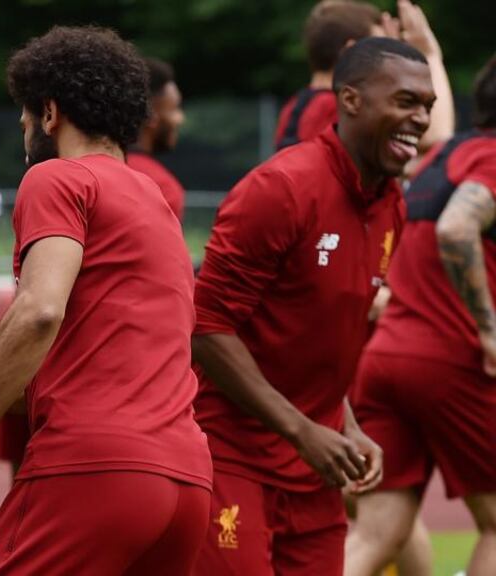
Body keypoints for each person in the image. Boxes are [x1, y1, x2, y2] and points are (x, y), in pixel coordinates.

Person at [0, 26, 213, 574]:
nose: (21, 124)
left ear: (51, 112)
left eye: (25, 110)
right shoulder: (154, 199)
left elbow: (38, 312)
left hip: (95, 467)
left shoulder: (57, 178)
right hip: (185, 478)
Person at [190, 37, 435, 575]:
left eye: (427, 106)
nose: (419, 119)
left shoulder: (391, 202)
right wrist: (303, 429)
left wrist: (344, 426)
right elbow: (205, 328)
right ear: (350, 100)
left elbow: (322, 336)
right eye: (405, 101)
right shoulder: (281, 189)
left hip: (311, 470)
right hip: (232, 455)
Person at [344, 54, 496, 576]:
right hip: (454, 360)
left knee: (377, 532)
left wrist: (429, 48)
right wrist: (489, 329)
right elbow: (457, 229)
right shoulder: (493, 161)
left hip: (387, 358)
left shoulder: (444, 157)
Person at [276, 0, 452, 157]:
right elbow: (434, 137)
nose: (388, 58)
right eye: (378, 49)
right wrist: (430, 55)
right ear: (349, 53)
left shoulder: (294, 108)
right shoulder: (339, 106)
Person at [126, 57, 186, 221]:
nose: (180, 119)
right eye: (173, 108)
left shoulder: (81, 168)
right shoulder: (161, 187)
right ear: (150, 115)